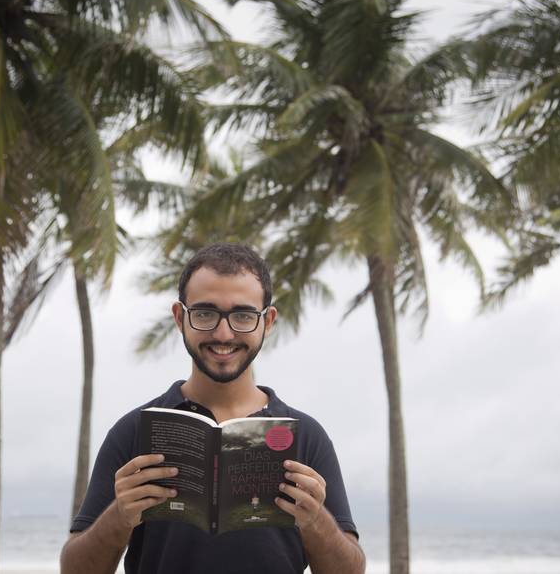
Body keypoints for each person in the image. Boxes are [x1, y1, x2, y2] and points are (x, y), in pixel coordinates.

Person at [60, 242, 365, 574]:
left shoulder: (305, 435)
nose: (224, 333)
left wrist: (316, 520)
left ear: (268, 321)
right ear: (180, 317)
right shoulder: (134, 431)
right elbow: (74, 569)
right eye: (205, 314)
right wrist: (119, 516)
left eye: (243, 316)